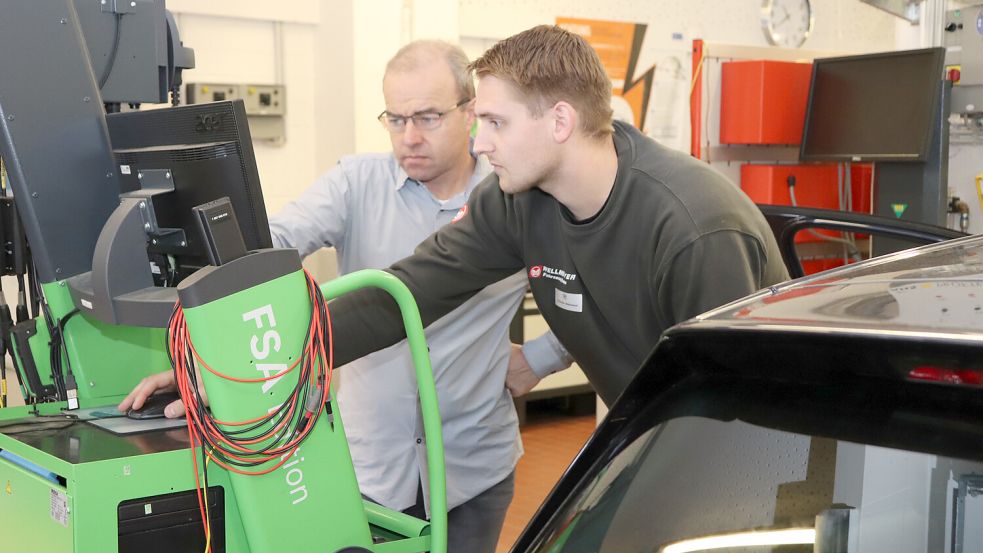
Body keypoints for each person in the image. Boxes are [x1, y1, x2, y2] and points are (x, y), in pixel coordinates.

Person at [119, 40, 571, 553]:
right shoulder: (356, 183)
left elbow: (590, 284)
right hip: (371, 467)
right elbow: (273, 243)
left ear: (471, 112)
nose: (410, 137)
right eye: (395, 119)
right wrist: (209, 364)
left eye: (427, 116)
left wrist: (540, 356)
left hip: (474, 466)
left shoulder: (517, 194)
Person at [320, 25, 790, 405]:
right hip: (651, 432)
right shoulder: (514, 201)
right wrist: (291, 354)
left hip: (748, 451)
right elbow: (409, 291)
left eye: (496, 123)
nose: (479, 143)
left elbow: (726, 409)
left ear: (560, 122)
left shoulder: (693, 228)